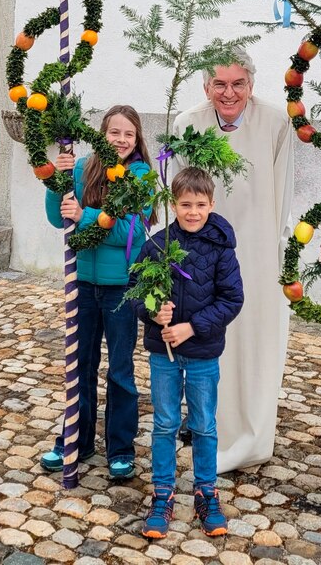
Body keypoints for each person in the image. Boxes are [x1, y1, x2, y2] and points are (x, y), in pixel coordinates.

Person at [172, 47, 293, 472]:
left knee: (257, 345)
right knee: (212, 346)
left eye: (238, 83)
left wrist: (281, 259)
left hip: (259, 252)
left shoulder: (276, 123)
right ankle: (211, 432)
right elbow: (180, 195)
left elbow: (284, 193)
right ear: (206, 87)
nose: (229, 93)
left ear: (251, 84)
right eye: (219, 84)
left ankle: (255, 439)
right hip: (206, 252)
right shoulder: (188, 125)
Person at [39, 104, 153, 480]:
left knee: (120, 369)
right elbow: (58, 218)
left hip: (121, 287)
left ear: (137, 140)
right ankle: (76, 439)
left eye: (128, 134)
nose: (120, 140)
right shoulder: (84, 166)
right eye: (114, 132)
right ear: (101, 134)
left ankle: (120, 448)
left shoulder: (140, 176)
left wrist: (84, 216)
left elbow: (127, 233)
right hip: (83, 284)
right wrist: (60, 180)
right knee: (80, 364)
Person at [129, 167, 244, 539]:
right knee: (164, 422)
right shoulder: (156, 246)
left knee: (204, 424)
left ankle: (205, 492)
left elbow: (232, 299)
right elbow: (136, 291)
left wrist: (192, 326)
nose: (192, 212)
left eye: (199, 204)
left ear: (211, 204)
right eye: (184, 205)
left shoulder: (221, 250)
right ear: (173, 204)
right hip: (163, 354)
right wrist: (152, 311)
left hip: (203, 351)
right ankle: (162, 493)